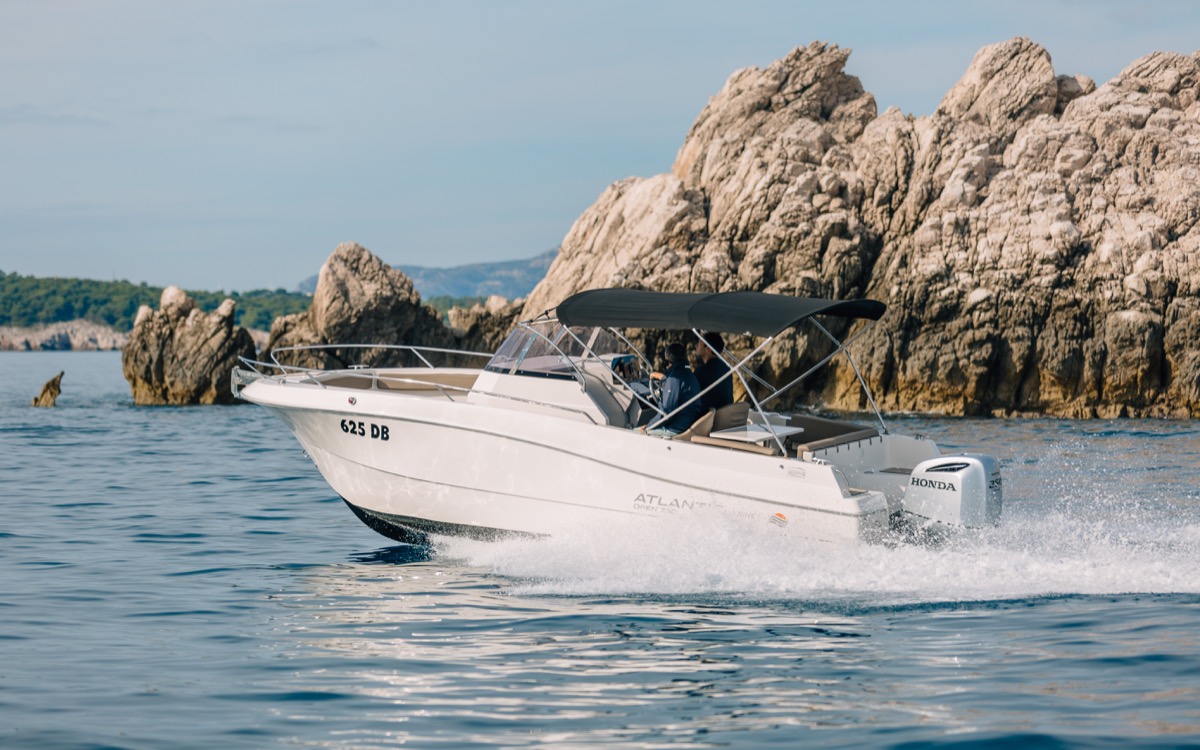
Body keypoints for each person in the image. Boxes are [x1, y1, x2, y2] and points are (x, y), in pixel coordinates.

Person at [645, 342, 704, 436]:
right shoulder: (687, 374)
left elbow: (666, 413)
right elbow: (675, 386)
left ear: (669, 361)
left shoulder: (674, 379)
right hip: (688, 423)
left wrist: (648, 426)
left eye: (666, 362)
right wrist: (664, 379)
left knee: (636, 432)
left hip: (677, 428)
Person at [694, 331, 734, 410]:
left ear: (707, 349)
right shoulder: (727, 370)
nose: (696, 346)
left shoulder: (701, 372)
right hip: (725, 417)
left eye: (699, 343)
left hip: (709, 418)